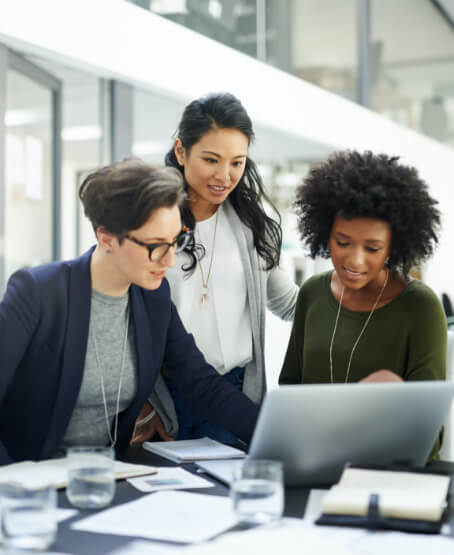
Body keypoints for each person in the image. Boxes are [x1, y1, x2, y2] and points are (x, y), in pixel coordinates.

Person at [0, 159, 259, 465]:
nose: (170, 260)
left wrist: (277, 434)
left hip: (110, 476)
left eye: (176, 241)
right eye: (156, 246)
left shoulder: (154, 298)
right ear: (106, 238)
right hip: (30, 480)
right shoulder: (38, 292)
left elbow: (201, 384)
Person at [132, 92, 298, 446]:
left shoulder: (252, 226)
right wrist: (144, 404)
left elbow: (289, 303)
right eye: (211, 159)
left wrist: (362, 295)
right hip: (165, 400)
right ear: (181, 151)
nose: (225, 175)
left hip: (235, 396)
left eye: (237, 162)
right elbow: (125, 319)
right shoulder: (148, 221)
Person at [279, 150, 446, 392]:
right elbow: (290, 386)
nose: (356, 261)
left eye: (372, 248)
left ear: (393, 245)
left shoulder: (421, 307)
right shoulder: (312, 293)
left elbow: (428, 420)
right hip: (310, 431)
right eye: (343, 243)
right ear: (325, 234)